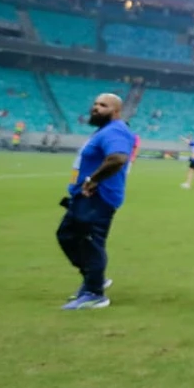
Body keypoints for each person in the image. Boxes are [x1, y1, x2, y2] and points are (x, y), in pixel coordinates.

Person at [58, 93, 135, 310]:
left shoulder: (115, 130)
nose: (96, 107)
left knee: (90, 241)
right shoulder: (103, 130)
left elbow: (118, 158)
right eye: (95, 103)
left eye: (103, 105)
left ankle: (94, 293)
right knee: (66, 236)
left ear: (116, 111)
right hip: (83, 196)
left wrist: (93, 180)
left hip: (98, 197)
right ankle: (94, 278)